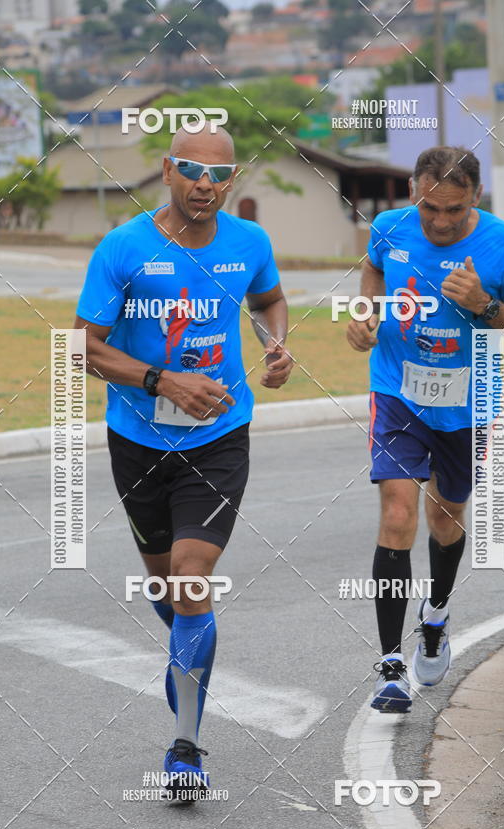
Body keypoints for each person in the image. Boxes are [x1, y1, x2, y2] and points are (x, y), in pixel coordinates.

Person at [75, 123, 293, 794]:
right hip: (139, 440)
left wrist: (275, 345)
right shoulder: (125, 248)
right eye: (191, 171)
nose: (204, 185)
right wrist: (162, 381)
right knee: (170, 591)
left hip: (219, 436)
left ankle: (185, 749)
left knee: (191, 575)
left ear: (231, 181)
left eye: (218, 175)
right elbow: (82, 347)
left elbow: (270, 301)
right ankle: (191, 646)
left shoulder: (249, 242)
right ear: (166, 172)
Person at [347, 146, 504, 712]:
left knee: (444, 517)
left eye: (453, 212)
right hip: (397, 391)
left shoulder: (503, 242)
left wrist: (486, 306)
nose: (439, 222)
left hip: (470, 398)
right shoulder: (389, 227)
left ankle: (435, 614)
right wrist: (366, 313)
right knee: (397, 514)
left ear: (475, 199)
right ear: (414, 190)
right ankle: (390, 665)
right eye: (430, 208)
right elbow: (373, 268)